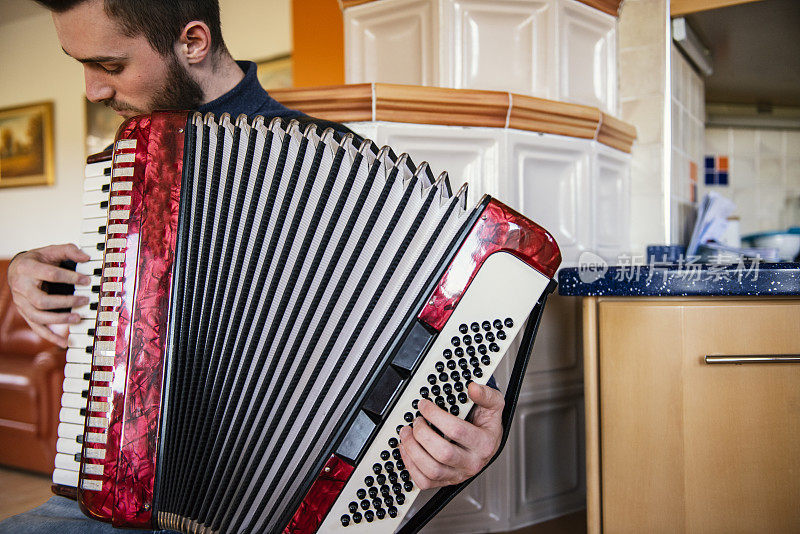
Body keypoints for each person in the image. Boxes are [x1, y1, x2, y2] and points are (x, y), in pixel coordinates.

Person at [3, 0, 506, 531]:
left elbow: (442, 349)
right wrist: (30, 276)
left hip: (285, 509)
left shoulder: (341, 167)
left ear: (192, 42)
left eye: (109, 66)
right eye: (79, 64)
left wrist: (471, 434)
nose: (92, 91)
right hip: (118, 495)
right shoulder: (133, 171)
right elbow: (115, 316)